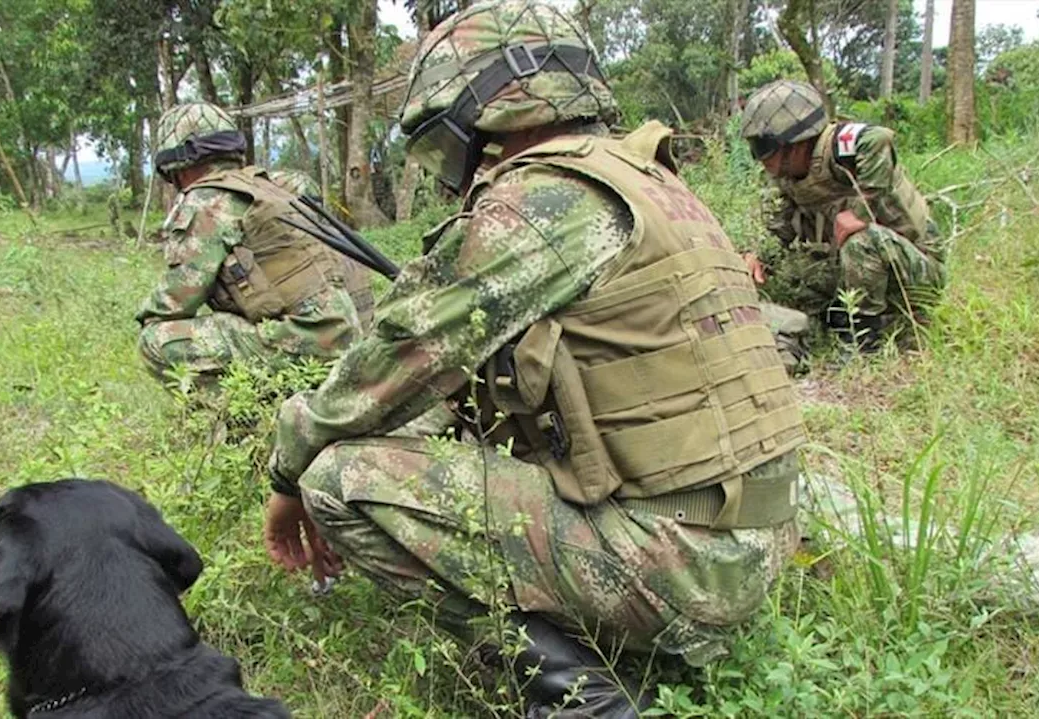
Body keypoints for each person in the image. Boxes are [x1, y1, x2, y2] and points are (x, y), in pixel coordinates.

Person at [261, 3, 807, 716]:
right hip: (757, 538)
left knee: (339, 479)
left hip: (687, 565)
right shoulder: (650, 180)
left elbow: (387, 365)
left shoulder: (541, 200)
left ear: (484, 108)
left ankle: (588, 700)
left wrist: (286, 469)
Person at [136, 103, 374, 389]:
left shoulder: (208, 201)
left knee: (155, 340)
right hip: (357, 338)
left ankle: (238, 419)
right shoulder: (275, 187)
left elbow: (173, 303)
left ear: (176, 169)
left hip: (313, 342)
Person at [739, 80, 946, 351]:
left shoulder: (837, 145)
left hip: (918, 269)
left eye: (763, 148)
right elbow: (784, 226)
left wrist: (862, 211)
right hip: (870, 273)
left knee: (860, 240)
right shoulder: (789, 177)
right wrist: (759, 257)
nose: (760, 159)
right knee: (799, 270)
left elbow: (878, 138)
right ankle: (834, 321)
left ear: (795, 142)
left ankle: (862, 344)